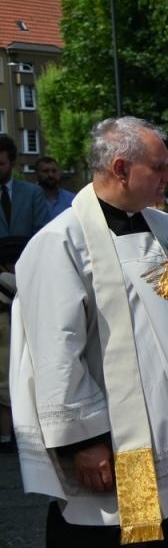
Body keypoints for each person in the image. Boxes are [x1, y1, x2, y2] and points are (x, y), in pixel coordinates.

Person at [9, 117, 168, 548]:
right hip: (119, 443)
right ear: (121, 168)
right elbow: (55, 350)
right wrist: (85, 440)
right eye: (158, 167)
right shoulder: (60, 242)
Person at [0, 134, 51, 453]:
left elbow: (43, 234)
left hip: (28, 279)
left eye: (1, 163)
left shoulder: (31, 194)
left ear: (13, 164)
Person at [33, 157, 73, 221]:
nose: (50, 175)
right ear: (36, 174)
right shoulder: (29, 199)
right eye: (45, 171)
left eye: (54, 171)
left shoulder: (71, 199)